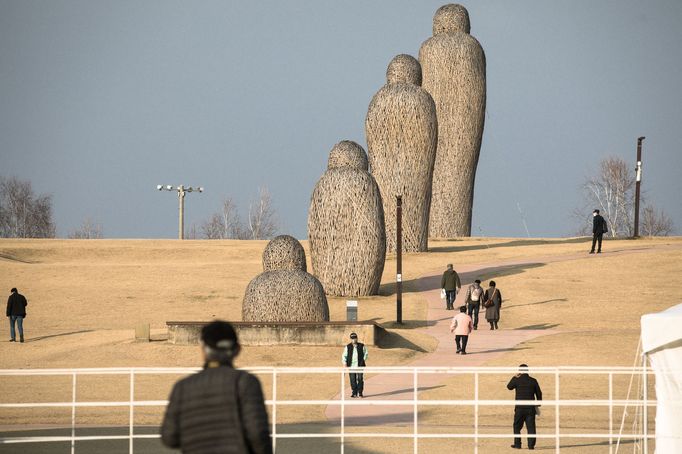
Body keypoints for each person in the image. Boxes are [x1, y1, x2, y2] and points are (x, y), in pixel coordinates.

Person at [161, 321, 272, 454]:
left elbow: (169, 437)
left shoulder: (182, 387)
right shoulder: (246, 382)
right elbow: (257, 433)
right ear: (237, 350)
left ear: (203, 350)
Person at [507, 364, 543, 450]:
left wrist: (514, 376)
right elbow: (539, 393)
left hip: (519, 408)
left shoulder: (517, 380)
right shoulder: (533, 380)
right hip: (530, 408)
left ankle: (518, 444)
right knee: (531, 427)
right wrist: (538, 404)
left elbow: (509, 387)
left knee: (516, 426)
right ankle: (531, 446)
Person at [342, 332, 368, 398]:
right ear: (350, 339)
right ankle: (354, 392)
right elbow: (344, 356)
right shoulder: (347, 347)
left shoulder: (362, 346)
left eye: (355, 338)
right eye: (352, 339)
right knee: (352, 380)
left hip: (360, 365)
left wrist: (363, 360)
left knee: (360, 379)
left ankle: (360, 393)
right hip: (351, 366)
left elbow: (366, 353)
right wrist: (344, 363)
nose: (354, 340)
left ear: (357, 338)